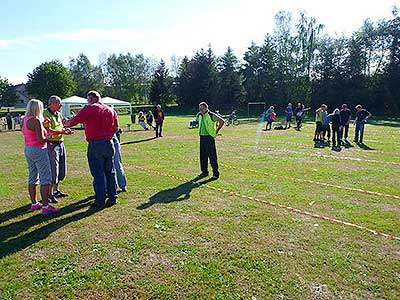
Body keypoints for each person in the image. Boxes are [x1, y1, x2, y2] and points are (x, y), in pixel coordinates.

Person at [64, 91, 119, 209]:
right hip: (109, 142)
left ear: (90, 98)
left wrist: (66, 123)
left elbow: (74, 121)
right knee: (110, 172)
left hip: (95, 143)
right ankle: (113, 197)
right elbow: (116, 128)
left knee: (98, 173)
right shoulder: (110, 110)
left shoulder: (89, 108)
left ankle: (100, 200)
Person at [22, 99, 60, 214]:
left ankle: (34, 203)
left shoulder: (25, 120)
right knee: (45, 177)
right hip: (39, 149)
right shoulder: (36, 120)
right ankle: (45, 206)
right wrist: (48, 136)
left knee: (32, 176)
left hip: (28, 148)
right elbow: (41, 139)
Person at [43, 95, 74, 203]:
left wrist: (66, 129)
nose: (60, 105)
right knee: (53, 169)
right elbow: (48, 129)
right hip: (51, 144)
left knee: (61, 168)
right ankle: (49, 194)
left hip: (60, 143)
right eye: (58, 103)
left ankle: (56, 190)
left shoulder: (59, 114)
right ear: (52, 104)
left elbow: (61, 126)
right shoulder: (45, 114)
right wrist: (62, 132)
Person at [197, 102, 224, 179]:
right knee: (203, 156)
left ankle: (215, 174)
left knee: (212, 156)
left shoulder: (211, 115)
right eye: (200, 109)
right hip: (202, 137)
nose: (200, 110)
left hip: (209, 138)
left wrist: (216, 131)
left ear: (206, 108)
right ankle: (204, 172)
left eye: (202, 109)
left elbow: (222, 121)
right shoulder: (200, 115)